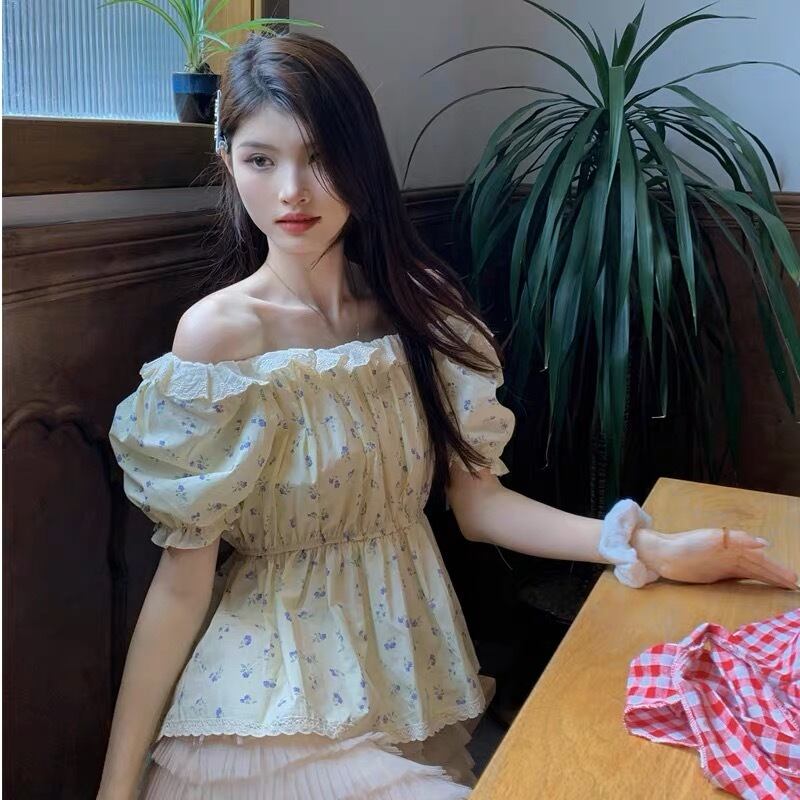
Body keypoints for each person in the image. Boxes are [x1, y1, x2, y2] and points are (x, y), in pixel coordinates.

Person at [96, 31, 799, 800]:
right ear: (228, 162)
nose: (292, 191)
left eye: (321, 157)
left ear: (363, 160)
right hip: (270, 701)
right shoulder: (219, 337)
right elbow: (181, 585)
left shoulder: (419, 310)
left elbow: (480, 503)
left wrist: (646, 547)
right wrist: (115, 789)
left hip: (401, 672)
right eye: (262, 160)